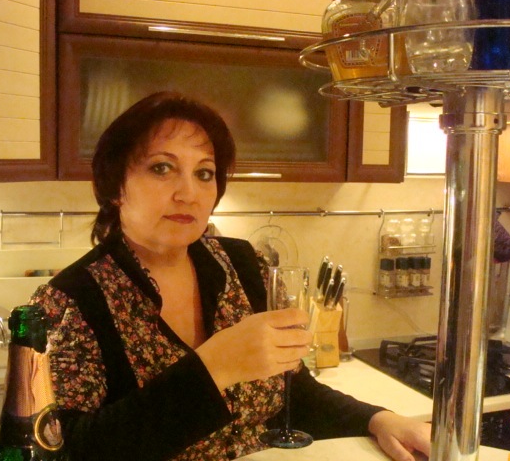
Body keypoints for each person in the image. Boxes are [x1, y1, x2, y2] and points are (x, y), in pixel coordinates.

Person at [30, 91, 431, 461]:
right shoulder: (70, 301)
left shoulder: (242, 264)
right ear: (115, 186)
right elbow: (67, 451)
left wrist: (378, 420)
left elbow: (293, 391)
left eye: (204, 173)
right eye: (162, 168)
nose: (189, 193)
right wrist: (213, 368)